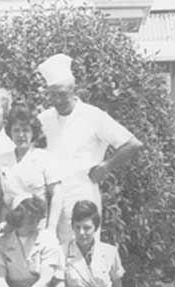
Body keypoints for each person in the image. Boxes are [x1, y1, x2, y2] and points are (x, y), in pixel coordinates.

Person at [36, 53, 143, 244]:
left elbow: (132, 144)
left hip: (82, 196)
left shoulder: (93, 116)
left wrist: (105, 167)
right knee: (50, 252)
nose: (57, 100)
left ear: (73, 90)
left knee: (83, 252)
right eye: (52, 95)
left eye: (62, 94)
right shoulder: (44, 119)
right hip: (51, 200)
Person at [0, 103, 61, 225]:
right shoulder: (1, 160)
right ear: (10, 132)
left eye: (26, 130)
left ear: (33, 132)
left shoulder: (45, 158)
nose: (21, 135)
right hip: (9, 225)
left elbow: (57, 194)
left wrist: (51, 229)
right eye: (16, 130)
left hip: (36, 225)